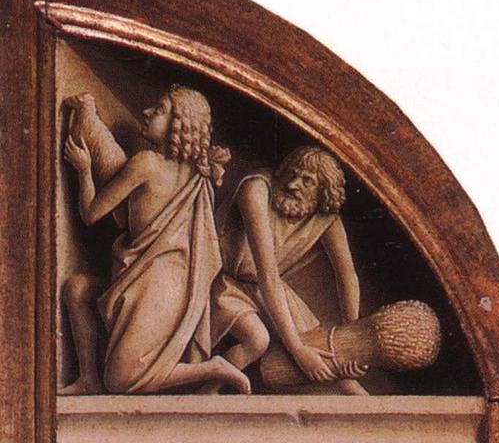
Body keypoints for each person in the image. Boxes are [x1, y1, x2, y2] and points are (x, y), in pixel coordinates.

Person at [62, 85, 250, 395]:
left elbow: (92, 213)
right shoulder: (197, 174)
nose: (147, 113)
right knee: (77, 289)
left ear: (179, 124)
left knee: (120, 381)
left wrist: (84, 171)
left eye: (160, 110)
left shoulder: (146, 163)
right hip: (158, 281)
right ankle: (88, 378)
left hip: (156, 284)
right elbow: (130, 221)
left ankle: (213, 368)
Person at [202, 146, 368, 394]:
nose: (292, 185)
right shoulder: (256, 189)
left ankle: (361, 399)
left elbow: (347, 275)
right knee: (257, 340)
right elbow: (267, 274)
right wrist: (298, 350)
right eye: (291, 174)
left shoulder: (327, 217)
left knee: (323, 349)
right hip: (225, 283)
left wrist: (352, 339)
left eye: (307, 181)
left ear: (323, 191)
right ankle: (204, 392)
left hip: (267, 289)